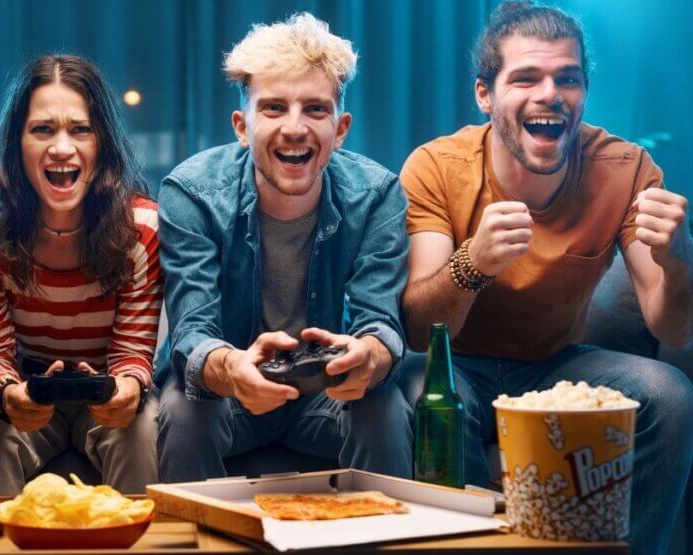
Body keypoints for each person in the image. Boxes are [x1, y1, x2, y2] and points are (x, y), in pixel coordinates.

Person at [398, 3, 693, 553]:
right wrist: (473, 263)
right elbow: (419, 331)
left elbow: (672, 328)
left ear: (583, 92)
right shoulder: (437, 166)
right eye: (526, 78)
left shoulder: (627, 169)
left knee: (669, 394)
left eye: (568, 78)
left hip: (558, 366)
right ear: (485, 95)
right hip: (456, 364)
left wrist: (679, 260)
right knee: (425, 393)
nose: (550, 94)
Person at [156, 13, 412, 483]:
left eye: (315, 109)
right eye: (273, 108)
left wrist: (369, 357)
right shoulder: (190, 192)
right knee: (183, 409)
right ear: (241, 125)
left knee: (384, 408)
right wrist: (233, 368)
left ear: (340, 129)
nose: (295, 128)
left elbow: (381, 320)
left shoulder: (378, 195)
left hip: (327, 396)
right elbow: (192, 330)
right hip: (230, 391)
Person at [0, 54, 162, 496]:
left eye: (80, 129)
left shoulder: (140, 229)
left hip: (107, 392)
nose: (62, 148)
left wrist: (128, 387)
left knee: (142, 424)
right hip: (29, 388)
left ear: (102, 144)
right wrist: (5, 394)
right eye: (42, 129)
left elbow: (133, 354)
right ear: (17, 144)